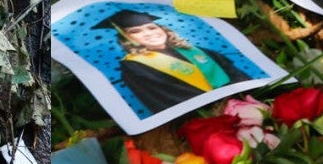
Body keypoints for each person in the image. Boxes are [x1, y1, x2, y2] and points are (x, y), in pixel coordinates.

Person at [101, 9, 245, 115]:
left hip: (238, 103)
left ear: (163, 29)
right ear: (127, 39)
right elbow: (163, 98)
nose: (149, 33)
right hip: (203, 114)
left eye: (152, 27)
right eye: (136, 31)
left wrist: (240, 98)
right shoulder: (134, 65)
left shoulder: (194, 50)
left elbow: (233, 72)